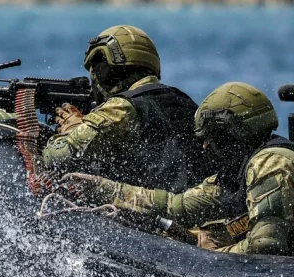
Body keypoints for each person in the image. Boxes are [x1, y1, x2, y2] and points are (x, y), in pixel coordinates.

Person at [60, 82, 294, 256]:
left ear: (231, 133)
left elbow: (266, 245)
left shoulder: (271, 163)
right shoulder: (235, 173)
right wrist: (106, 190)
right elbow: (175, 205)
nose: (204, 147)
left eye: (211, 137)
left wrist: (208, 253)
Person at [30, 25, 203, 196]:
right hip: (188, 207)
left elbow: (56, 157)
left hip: (150, 215)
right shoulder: (183, 100)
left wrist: (71, 129)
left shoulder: (122, 107)